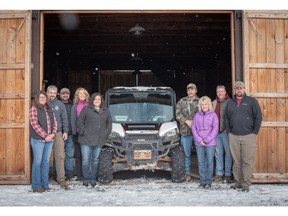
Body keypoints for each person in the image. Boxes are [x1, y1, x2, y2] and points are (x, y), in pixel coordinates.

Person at [224, 81, 262, 192]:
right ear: (234, 90)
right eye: (237, 88)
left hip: (248, 135)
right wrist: (229, 132)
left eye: (241, 88)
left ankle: (246, 184)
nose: (239, 90)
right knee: (236, 161)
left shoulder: (251, 101)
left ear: (244, 89)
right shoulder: (230, 102)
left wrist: (254, 132)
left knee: (247, 161)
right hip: (234, 136)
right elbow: (226, 118)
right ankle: (238, 182)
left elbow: (258, 117)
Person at [77, 93, 112, 187]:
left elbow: (109, 124)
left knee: (95, 160)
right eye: (95, 99)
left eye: (99, 99)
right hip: (86, 139)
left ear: (101, 101)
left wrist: (106, 133)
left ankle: (92, 179)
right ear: (92, 100)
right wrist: (84, 131)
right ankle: (86, 179)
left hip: (99, 139)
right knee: (85, 160)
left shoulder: (106, 111)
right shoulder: (86, 109)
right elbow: (80, 121)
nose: (97, 101)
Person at [29, 91, 57, 192]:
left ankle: (45, 185)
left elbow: (55, 122)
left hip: (49, 139)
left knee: (45, 162)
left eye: (44, 97)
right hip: (38, 139)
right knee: (37, 162)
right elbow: (34, 124)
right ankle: (36, 186)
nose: (43, 99)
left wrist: (53, 134)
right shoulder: (34, 109)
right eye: (41, 97)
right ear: (37, 98)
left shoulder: (50, 109)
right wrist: (45, 136)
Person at [192, 96, 219, 189]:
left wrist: (207, 140)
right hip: (199, 142)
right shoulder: (197, 115)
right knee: (200, 162)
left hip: (210, 142)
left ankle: (209, 181)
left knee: (210, 162)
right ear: (200, 105)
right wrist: (199, 140)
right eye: (202, 104)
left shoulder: (213, 115)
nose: (204, 106)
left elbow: (215, 129)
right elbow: (194, 129)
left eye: (206, 104)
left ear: (209, 105)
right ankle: (202, 181)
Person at [46, 85, 69, 189]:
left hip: (58, 133)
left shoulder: (60, 104)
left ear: (57, 94)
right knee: (44, 158)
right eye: (50, 92)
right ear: (47, 92)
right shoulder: (43, 102)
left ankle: (61, 179)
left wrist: (65, 131)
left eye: (54, 93)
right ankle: (44, 178)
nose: (52, 94)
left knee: (60, 156)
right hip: (45, 134)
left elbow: (64, 118)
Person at [176, 83, 199, 181]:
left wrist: (194, 122)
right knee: (186, 155)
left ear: (195, 91)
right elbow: (178, 114)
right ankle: (187, 174)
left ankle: (202, 174)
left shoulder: (201, 101)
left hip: (198, 132)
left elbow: (205, 113)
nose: (190, 91)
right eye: (189, 89)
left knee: (201, 154)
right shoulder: (181, 101)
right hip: (185, 132)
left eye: (192, 89)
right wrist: (186, 121)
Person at [212, 85, 232, 183]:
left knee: (228, 154)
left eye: (221, 91)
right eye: (218, 91)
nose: (220, 93)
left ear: (225, 92)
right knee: (218, 154)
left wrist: (228, 129)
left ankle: (228, 174)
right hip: (216, 133)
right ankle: (219, 173)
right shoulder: (214, 103)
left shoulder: (230, 102)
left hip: (226, 132)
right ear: (216, 93)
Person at [71, 87, 90, 181]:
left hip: (88, 134)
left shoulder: (90, 106)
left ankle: (88, 174)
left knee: (87, 155)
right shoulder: (75, 106)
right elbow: (73, 120)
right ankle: (80, 175)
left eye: (84, 93)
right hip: (78, 134)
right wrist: (74, 133)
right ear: (77, 95)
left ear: (86, 95)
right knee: (79, 155)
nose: (82, 95)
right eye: (80, 93)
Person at [59, 87, 74, 180]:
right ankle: (58, 174)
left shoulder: (72, 105)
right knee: (59, 155)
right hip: (60, 134)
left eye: (67, 94)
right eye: (63, 94)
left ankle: (69, 175)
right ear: (60, 95)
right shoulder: (57, 105)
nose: (65, 95)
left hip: (70, 134)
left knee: (69, 155)